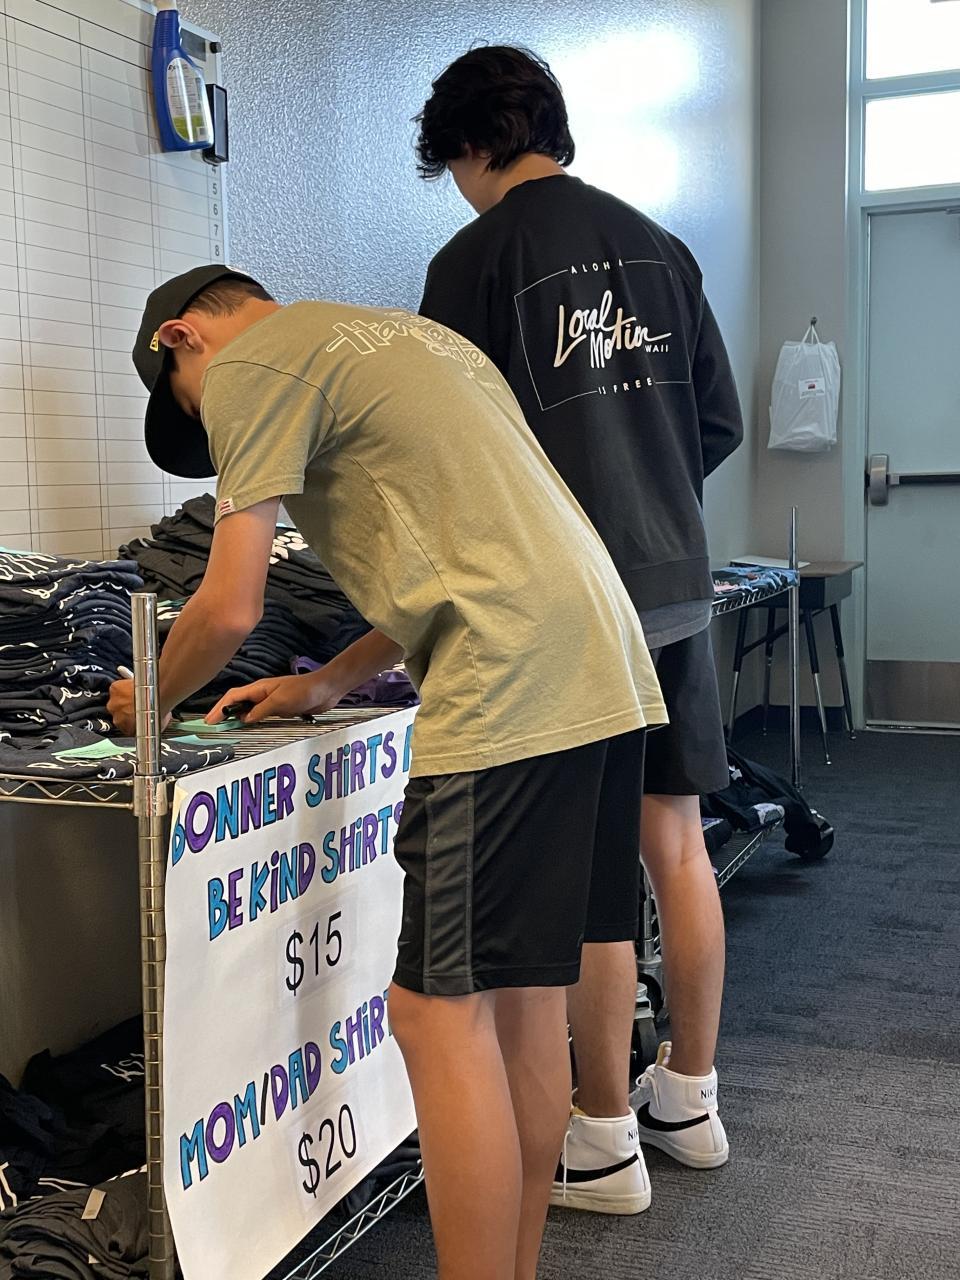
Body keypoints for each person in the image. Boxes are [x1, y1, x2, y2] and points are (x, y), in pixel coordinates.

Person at [107, 265, 667, 1279]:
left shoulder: (251, 366)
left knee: (432, 1012)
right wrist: (327, 680)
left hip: (506, 681)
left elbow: (229, 605)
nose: (210, 426)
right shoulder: (415, 342)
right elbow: (470, 556)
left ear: (182, 339)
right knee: (525, 1003)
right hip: (601, 661)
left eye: (190, 408)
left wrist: (148, 697)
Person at [414, 45, 744, 1213]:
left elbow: (448, 455)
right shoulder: (663, 247)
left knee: (594, 878)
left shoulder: (474, 260)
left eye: (452, 166)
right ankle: (689, 1098)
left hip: (566, 608)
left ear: (469, 144)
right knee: (679, 840)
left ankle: (602, 1139)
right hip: (677, 582)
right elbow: (717, 420)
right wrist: (649, 495)